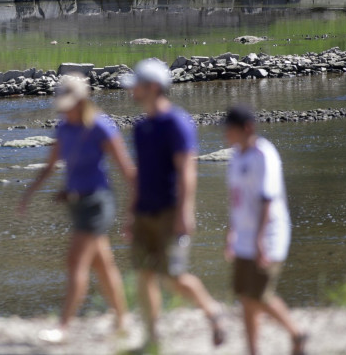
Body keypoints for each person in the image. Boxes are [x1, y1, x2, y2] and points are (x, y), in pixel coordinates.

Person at [18, 75, 136, 343]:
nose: (64, 109)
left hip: (97, 203)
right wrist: (28, 194)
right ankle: (122, 320)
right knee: (103, 265)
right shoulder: (63, 128)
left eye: (69, 104)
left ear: (83, 100)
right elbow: (51, 166)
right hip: (75, 203)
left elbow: (126, 170)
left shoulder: (101, 127)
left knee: (75, 262)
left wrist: (133, 211)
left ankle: (63, 327)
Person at [120, 58, 226, 351]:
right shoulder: (141, 127)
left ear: (153, 87)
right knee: (144, 276)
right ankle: (152, 339)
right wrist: (130, 213)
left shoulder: (176, 123)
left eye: (137, 86)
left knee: (174, 277)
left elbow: (186, 171)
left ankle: (213, 312)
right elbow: (140, 174)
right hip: (144, 213)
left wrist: (185, 212)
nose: (132, 92)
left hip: (169, 211)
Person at [223, 106, 308, 355]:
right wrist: (231, 233)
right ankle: (253, 350)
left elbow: (267, 199)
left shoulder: (264, 154)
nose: (226, 134)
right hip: (243, 236)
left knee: (258, 294)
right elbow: (235, 200)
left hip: (269, 235)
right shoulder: (236, 156)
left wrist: (260, 240)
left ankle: (296, 333)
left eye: (230, 129)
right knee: (245, 297)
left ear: (247, 128)